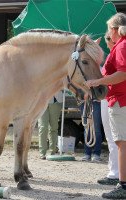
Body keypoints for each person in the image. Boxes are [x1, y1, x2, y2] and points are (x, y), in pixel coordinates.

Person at [86, 13, 126, 199]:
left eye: (110, 29)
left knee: (121, 143)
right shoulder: (121, 46)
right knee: (120, 142)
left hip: (120, 100)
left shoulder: (122, 46)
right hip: (117, 99)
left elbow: (122, 74)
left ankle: (123, 185)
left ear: (115, 29)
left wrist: (97, 81)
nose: (109, 33)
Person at [97, 32, 119, 185]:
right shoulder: (114, 53)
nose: (108, 43)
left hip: (111, 97)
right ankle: (114, 170)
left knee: (113, 138)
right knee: (112, 138)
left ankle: (115, 173)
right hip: (109, 98)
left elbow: (103, 76)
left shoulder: (116, 52)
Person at [38, 91, 63, 159]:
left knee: (53, 127)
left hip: (56, 100)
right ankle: (42, 152)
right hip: (41, 101)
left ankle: (52, 151)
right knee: (43, 127)